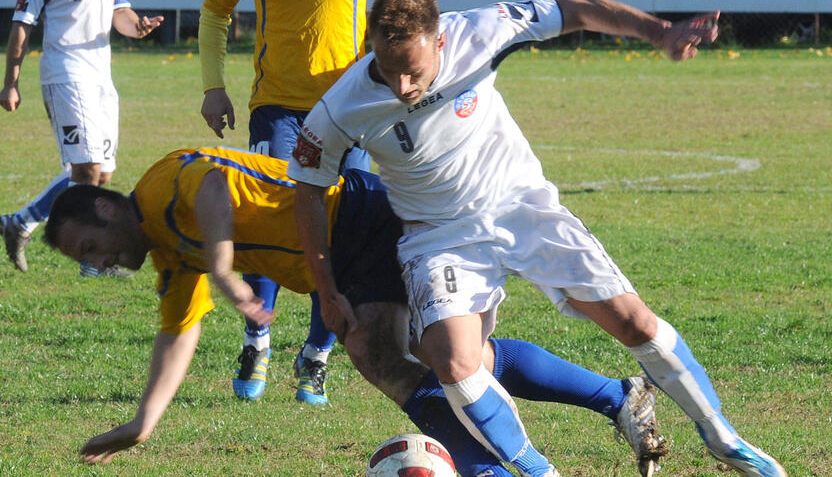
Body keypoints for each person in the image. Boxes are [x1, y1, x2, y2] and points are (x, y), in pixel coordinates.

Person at [288, 0, 787, 477]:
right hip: (439, 237)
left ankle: (726, 440)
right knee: (455, 360)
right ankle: (539, 471)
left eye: (413, 72)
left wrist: (659, 33)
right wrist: (326, 289)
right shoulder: (341, 105)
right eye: (388, 70)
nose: (401, 87)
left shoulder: (479, 31)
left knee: (634, 322)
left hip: (522, 207)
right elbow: (307, 189)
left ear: (440, 40)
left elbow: (577, 10)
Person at [42, 146, 667, 474]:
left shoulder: (157, 186)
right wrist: (145, 422)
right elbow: (177, 335)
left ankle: (493, 466)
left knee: (385, 354)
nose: (98, 262)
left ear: (103, 208)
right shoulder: (167, 257)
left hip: (352, 214)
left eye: (91, 248)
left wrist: (225, 266)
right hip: (335, 256)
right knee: (436, 358)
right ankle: (616, 397)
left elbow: (211, 186)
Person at [197, 0, 404, 405]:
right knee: (269, 222)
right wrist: (214, 88)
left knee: (338, 235)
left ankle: (316, 355)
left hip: (349, 112)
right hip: (275, 110)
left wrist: (393, 76)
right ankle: (257, 338)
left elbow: (400, 11)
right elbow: (215, 11)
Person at [0, 0, 162, 277]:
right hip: (65, 74)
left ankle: (21, 222)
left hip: (101, 75)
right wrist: (10, 82)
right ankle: (93, 262)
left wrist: (137, 26)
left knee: (101, 174)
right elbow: (22, 26)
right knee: (86, 170)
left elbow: (119, 12)